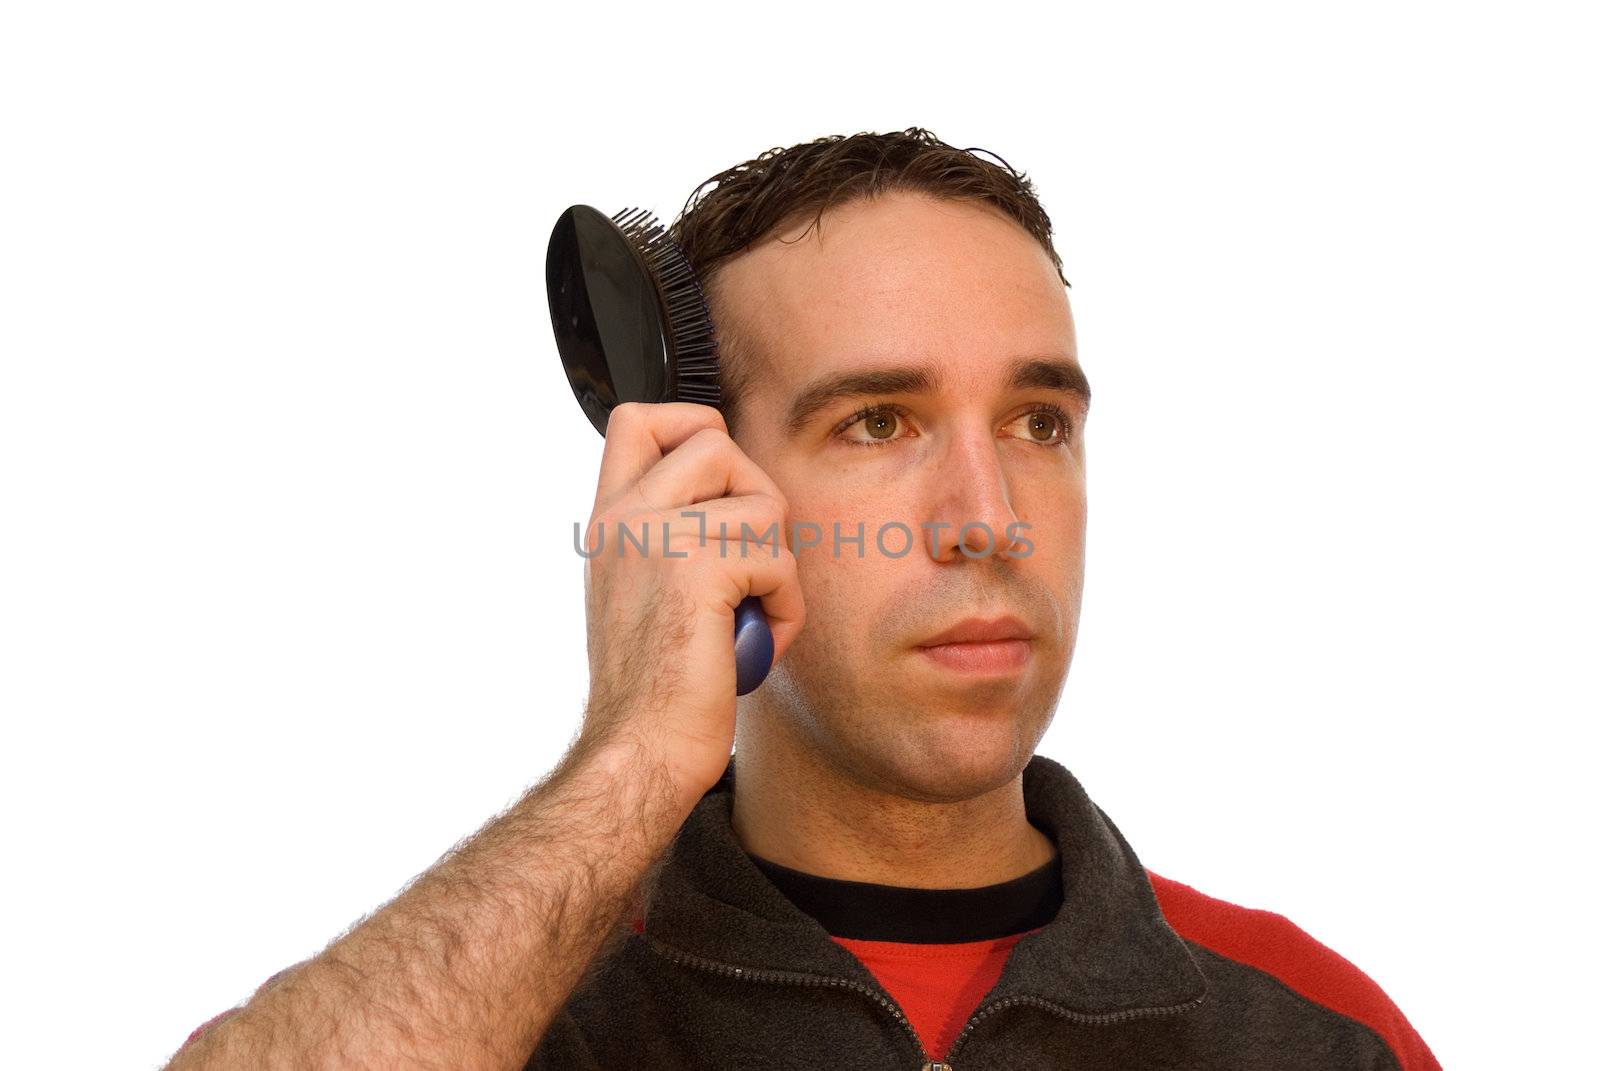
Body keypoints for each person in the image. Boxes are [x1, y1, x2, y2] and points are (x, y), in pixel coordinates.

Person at [166, 128, 1440, 1070]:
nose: (989, 519)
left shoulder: (1308, 1031)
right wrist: (631, 756)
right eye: (878, 420)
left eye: (1038, 420)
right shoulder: (510, 1014)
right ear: (703, 485)